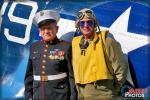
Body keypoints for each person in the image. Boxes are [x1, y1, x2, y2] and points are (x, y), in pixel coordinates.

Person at [72, 8, 128, 100]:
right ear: (78, 25)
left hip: (103, 94)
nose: (85, 25)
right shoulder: (74, 43)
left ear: (95, 24)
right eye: (82, 23)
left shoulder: (107, 41)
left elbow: (121, 68)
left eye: (89, 22)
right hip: (81, 94)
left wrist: (113, 90)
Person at [24, 10, 77, 100]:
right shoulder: (34, 47)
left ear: (56, 29)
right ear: (39, 31)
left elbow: (72, 76)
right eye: (43, 29)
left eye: (49, 28)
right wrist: (28, 96)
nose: (46, 31)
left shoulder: (66, 46)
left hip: (60, 95)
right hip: (39, 95)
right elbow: (29, 75)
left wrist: (73, 97)